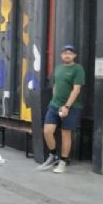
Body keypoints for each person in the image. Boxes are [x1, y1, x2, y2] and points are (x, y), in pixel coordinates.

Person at [38, 45, 86, 174]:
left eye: (70, 53)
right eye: (65, 53)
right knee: (47, 131)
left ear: (74, 56)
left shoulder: (78, 69)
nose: (67, 55)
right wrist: (55, 101)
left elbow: (76, 89)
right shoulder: (58, 69)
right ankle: (53, 155)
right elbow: (55, 86)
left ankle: (63, 161)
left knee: (66, 133)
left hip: (72, 107)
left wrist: (67, 107)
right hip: (54, 105)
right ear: (61, 55)